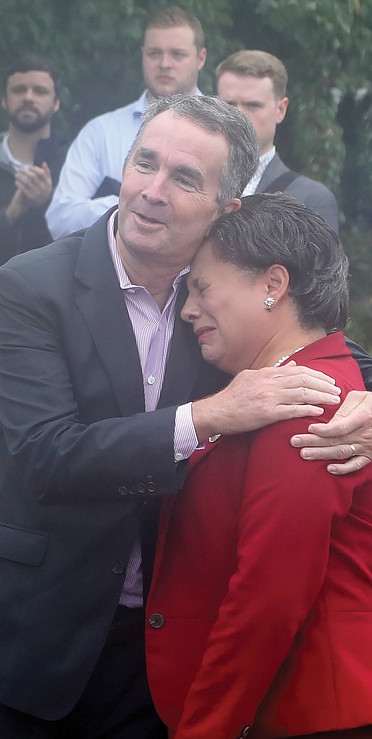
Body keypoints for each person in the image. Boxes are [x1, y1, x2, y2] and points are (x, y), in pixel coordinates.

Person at [0, 94, 370, 738]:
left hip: (157, 656)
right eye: (144, 163)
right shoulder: (30, 286)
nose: (151, 191)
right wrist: (210, 415)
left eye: (183, 177)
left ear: (228, 207)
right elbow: (48, 454)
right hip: (27, 644)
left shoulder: (224, 290)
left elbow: (311, 338)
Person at [146, 193, 372, 738]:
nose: (188, 309)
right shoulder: (278, 388)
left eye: (202, 287)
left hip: (311, 712)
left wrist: (205, 728)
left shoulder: (307, 399)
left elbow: (269, 593)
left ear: (273, 285)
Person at [45, 6, 206, 239]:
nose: (164, 63)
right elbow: (60, 219)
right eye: (154, 53)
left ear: (201, 58)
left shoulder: (223, 135)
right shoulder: (101, 132)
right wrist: (126, 203)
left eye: (177, 54)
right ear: (142, 54)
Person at [0, 55, 67, 270]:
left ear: (56, 103)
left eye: (40, 91)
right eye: (19, 90)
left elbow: (83, 244)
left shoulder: (73, 165)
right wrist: (11, 213)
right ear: (4, 100)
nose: (28, 97)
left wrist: (47, 202)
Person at [216, 49, 339, 231]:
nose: (238, 115)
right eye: (229, 105)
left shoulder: (310, 199)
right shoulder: (187, 180)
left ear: (280, 110)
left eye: (253, 105)